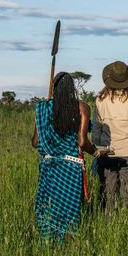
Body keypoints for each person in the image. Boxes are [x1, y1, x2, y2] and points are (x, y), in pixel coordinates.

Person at [31, 72, 95, 242]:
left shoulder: (42, 108)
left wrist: (48, 130)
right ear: (72, 88)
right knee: (69, 208)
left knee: (49, 206)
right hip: (70, 167)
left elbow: (35, 142)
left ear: (54, 88)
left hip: (49, 166)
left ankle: (49, 241)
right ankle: (68, 241)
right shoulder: (81, 107)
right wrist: (96, 152)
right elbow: (82, 142)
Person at [91, 61, 128, 211]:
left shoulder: (100, 100)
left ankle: (107, 226)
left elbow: (96, 128)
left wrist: (96, 150)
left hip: (106, 152)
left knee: (107, 195)